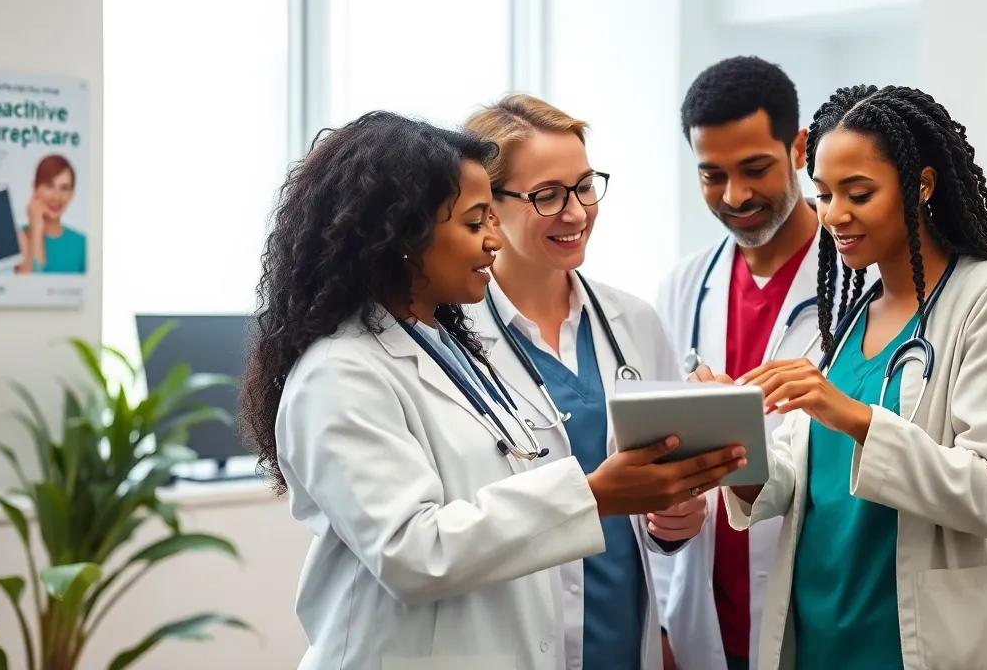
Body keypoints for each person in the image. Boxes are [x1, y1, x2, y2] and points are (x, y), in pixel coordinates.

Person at [237, 111, 748, 669]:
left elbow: (500, 506)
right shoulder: (340, 373)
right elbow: (412, 552)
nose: (494, 240)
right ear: (405, 237)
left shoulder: (445, 347)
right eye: (476, 221)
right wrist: (595, 494)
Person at [696, 84, 987, 670]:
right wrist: (728, 439)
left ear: (921, 185)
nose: (833, 214)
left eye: (858, 192)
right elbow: (794, 483)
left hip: (925, 644)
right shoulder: (841, 325)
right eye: (822, 193)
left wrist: (852, 415)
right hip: (819, 637)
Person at [462, 94, 706, 670]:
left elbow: (670, 492)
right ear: (488, 207)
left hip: (621, 638)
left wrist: (676, 520)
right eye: (547, 195)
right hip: (509, 641)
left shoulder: (635, 321)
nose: (576, 212)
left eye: (584, 186)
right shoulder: (452, 336)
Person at [651, 56, 843, 670]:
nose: (735, 196)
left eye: (755, 168)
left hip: (816, 613)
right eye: (713, 175)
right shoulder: (683, 287)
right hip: (704, 617)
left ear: (799, 148)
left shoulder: (861, 285)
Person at [15, 154, 86, 274]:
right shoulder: (17, 240)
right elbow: (30, 287)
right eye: (49, 186)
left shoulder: (82, 245)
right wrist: (36, 228)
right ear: (35, 188)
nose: (56, 197)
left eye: (64, 188)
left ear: (71, 194)